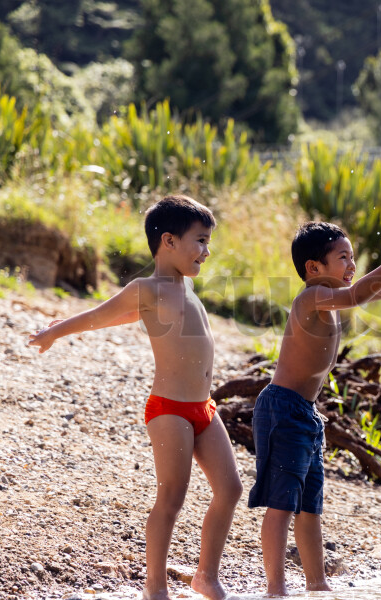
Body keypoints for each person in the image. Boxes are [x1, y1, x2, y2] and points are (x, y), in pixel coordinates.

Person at [28, 195, 242, 600]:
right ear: (169, 241)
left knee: (230, 489)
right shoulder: (146, 287)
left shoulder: (188, 286)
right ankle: (154, 585)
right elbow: (101, 314)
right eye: (200, 240)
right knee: (173, 496)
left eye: (208, 241)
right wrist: (56, 331)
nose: (206, 251)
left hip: (203, 408)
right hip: (169, 410)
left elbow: (134, 315)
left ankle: (206, 576)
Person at [248, 222, 381, 596]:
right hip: (282, 408)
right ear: (313, 268)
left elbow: (376, 289)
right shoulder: (312, 297)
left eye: (352, 256)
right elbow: (360, 294)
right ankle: (275, 589)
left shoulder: (331, 298)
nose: (351, 264)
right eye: (342, 257)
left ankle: (317, 585)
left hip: (306, 413)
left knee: (310, 506)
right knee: (281, 503)